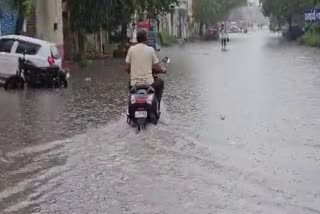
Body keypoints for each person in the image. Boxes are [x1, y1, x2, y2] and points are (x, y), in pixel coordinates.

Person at [125, 29, 164, 106]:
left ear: (137, 38)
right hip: (149, 83)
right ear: (146, 38)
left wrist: (131, 70)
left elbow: (127, 68)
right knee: (160, 83)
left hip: (134, 84)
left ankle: (131, 106)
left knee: (129, 84)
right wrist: (162, 69)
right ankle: (157, 104)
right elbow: (157, 67)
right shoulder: (150, 50)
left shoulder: (131, 49)